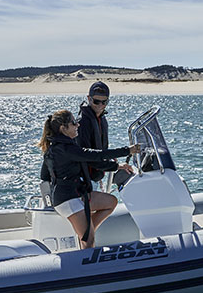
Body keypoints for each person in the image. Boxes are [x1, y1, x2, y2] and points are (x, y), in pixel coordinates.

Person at [38, 109, 139, 249]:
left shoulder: (60, 148)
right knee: (89, 242)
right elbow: (95, 155)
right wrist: (127, 150)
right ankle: (86, 242)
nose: (78, 125)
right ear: (63, 128)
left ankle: (86, 231)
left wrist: (116, 166)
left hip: (77, 194)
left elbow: (90, 161)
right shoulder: (65, 149)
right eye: (74, 123)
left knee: (110, 202)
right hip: (68, 200)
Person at [77, 81, 113, 182]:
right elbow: (86, 155)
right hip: (84, 179)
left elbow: (101, 149)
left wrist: (109, 159)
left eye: (104, 102)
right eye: (96, 101)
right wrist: (115, 166)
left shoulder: (102, 118)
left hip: (96, 175)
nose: (100, 105)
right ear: (89, 99)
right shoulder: (82, 123)